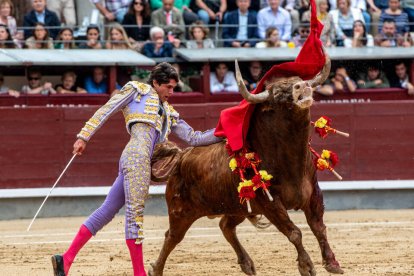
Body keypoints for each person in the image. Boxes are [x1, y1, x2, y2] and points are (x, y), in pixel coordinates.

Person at [51, 62, 222, 276]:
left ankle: (65, 260)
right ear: (156, 83)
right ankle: (139, 274)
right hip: (137, 157)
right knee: (135, 215)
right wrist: (83, 136)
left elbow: (194, 138)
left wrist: (225, 129)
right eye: (168, 87)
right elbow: (107, 109)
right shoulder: (137, 90)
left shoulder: (168, 112)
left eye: (173, 88)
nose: (171, 92)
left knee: (107, 210)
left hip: (136, 158)